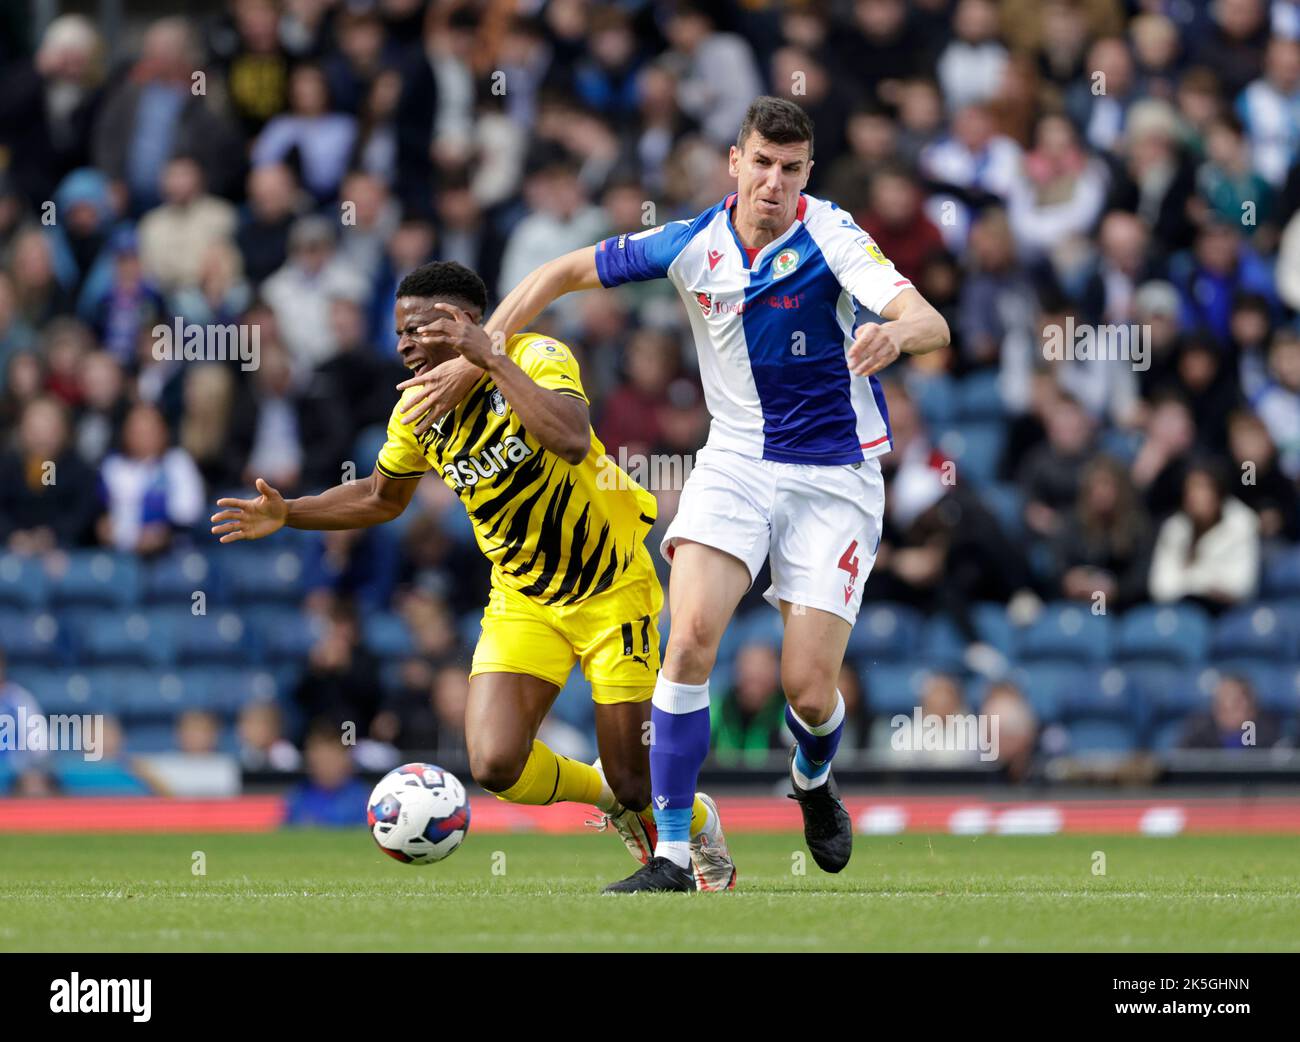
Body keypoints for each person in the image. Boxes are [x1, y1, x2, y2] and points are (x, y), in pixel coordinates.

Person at [397, 97, 949, 891]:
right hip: (734, 464)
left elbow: (929, 319)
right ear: (735, 162)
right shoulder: (692, 243)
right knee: (686, 640)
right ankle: (673, 854)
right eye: (761, 163)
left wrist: (893, 333)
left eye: (791, 169)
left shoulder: (831, 234)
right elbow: (559, 272)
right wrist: (471, 361)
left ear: (807, 174)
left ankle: (814, 777)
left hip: (833, 475)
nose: (774, 182)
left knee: (809, 689)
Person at [210, 260, 734, 892]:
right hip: (522, 598)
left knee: (634, 779)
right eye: (397, 332)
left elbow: (570, 439)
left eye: (417, 329)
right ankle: (612, 800)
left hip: (610, 587)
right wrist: (290, 512)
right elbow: (382, 496)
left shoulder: (537, 354)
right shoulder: (415, 413)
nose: (403, 343)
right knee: (495, 762)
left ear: (461, 322)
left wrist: (492, 361)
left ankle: (692, 819)